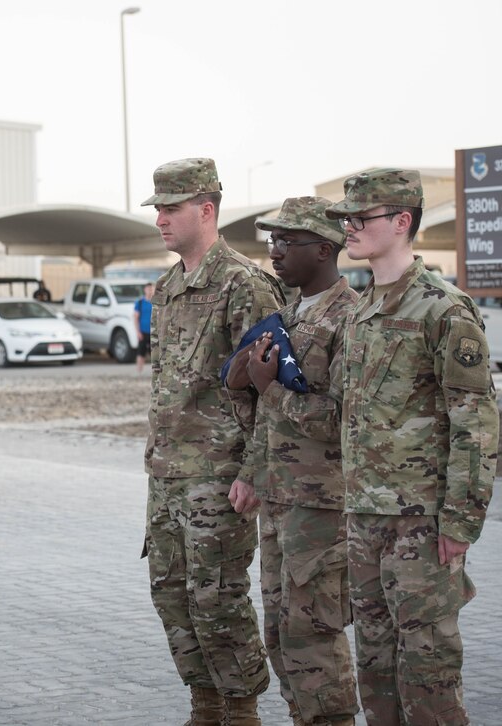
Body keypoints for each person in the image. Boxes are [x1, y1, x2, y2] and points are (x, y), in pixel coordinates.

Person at [325, 169, 497, 725]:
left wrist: (460, 521)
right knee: (375, 670)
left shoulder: (442, 309)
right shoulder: (360, 310)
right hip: (365, 517)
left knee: (428, 674)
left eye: (361, 218)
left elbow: (476, 423)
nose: (349, 227)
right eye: (345, 218)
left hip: (420, 522)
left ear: (403, 222)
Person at [140, 157, 283, 725]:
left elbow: (273, 394)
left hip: (219, 475)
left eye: (171, 209)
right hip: (167, 472)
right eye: (157, 210)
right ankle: (204, 703)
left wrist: (255, 470)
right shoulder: (169, 286)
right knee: (171, 595)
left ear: (206, 209)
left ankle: (241, 706)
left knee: (217, 598)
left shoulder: (244, 284)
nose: (160, 221)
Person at [223, 197, 359, 726]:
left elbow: (348, 420)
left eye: (287, 242)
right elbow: (265, 414)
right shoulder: (287, 316)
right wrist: (253, 469)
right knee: (280, 637)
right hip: (281, 500)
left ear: (324, 249)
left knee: (315, 639)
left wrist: (268, 388)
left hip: (322, 506)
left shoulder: (349, 319)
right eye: (271, 241)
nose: (274, 253)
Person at [132, 282, 153, 373]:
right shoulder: (140, 302)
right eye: (148, 289)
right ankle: (138, 372)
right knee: (141, 352)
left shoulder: (156, 302)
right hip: (143, 332)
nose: (150, 291)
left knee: (155, 353)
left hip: (154, 332)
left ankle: (155, 373)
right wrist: (137, 332)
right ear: (145, 290)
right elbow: (135, 318)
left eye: (151, 289)